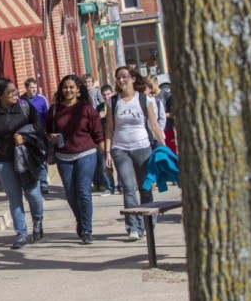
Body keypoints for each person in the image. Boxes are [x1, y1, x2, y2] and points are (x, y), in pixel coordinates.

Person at [0, 78, 45, 249]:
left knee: (33, 195)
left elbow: (38, 128)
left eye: (15, 91)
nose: (15, 94)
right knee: (14, 198)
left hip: (26, 158)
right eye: (10, 92)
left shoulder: (25, 107)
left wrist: (25, 138)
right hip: (2, 160)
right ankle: (21, 234)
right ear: (0, 95)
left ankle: (37, 221)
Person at [104, 67, 166, 241]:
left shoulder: (144, 99)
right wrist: (108, 152)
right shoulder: (112, 102)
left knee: (145, 187)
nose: (121, 80)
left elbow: (154, 125)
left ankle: (148, 223)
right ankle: (133, 227)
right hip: (120, 148)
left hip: (142, 146)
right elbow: (109, 128)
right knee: (129, 187)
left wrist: (163, 146)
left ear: (132, 78)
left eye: (124, 77)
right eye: (118, 78)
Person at [46, 75, 104, 244]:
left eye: (72, 87)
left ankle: (87, 230)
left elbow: (98, 135)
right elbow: (48, 132)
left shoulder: (87, 109)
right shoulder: (54, 110)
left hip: (86, 154)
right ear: (61, 89)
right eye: (65, 87)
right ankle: (81, 219)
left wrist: (107, 157)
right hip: (64, 156)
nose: (68, 90)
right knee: (71, 194)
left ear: (78, 89)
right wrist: (52, 137)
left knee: (84, 191)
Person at [22, 78, 50, 194]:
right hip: (28, 134)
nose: (34, 89)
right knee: (30, 158)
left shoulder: (42, 99)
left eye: (35, 87)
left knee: (42, 158)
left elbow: (47, 116)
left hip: (40, 133)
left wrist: (47, 131)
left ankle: (44, 184)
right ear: (26, 88)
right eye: (31, 87)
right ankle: (35, 183)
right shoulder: (21, 100)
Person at [93, 84, 117, 195]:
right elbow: (94, 124)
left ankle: (121, 185)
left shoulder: (117, 104)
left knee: (119, 163)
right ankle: (109, 186)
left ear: (112, 93)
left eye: (108, 94)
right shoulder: (99, 108)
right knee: (104, 165)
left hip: (117, 137)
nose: (107, 97)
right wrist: (99, 116)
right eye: (104, 95)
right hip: (103, 138)